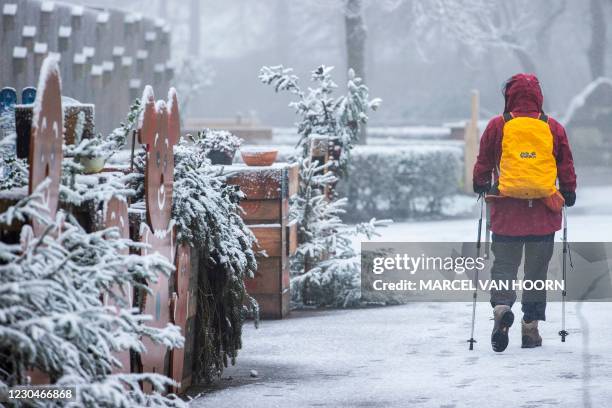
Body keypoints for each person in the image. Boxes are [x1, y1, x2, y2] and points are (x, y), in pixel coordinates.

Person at [473, 73, 577, 352]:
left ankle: (502, 308)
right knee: (536, 272)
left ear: (509, 96)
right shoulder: (552, 126)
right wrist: (569, 190)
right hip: (543, 214)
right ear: (538, 97)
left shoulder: (498, 125)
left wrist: (480, 182)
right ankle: (530, 329)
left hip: (506, 213)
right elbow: (565, 162)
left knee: (505, 266)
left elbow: (483, 159)